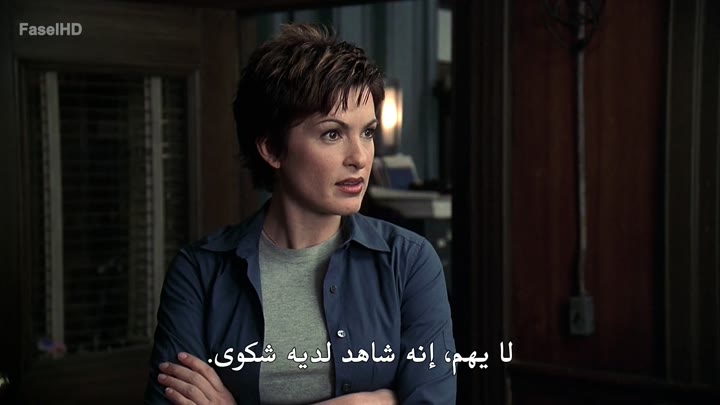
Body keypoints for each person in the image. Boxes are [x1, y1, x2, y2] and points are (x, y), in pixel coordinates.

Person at [145, 23, 456, 405]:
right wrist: (365, 402)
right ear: (273, 149)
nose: (360, 158)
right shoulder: (200, 272)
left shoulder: (409, 263)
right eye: (332, 134)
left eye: (367, 132)